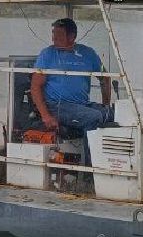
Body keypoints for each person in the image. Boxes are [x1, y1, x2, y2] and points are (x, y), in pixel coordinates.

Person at [29, 18, 115, 153]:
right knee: (93, 117)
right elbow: (35, 86)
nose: (54, 38)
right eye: (53, 34)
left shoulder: (88, 53)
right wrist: (45, 116)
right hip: (56, 106)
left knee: (114, 114)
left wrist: (106, 104)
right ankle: (91, 164)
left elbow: (105, 77)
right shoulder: (47, 54)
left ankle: (111, 157)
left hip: (82, 104)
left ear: (72, 36)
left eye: (59, 34)